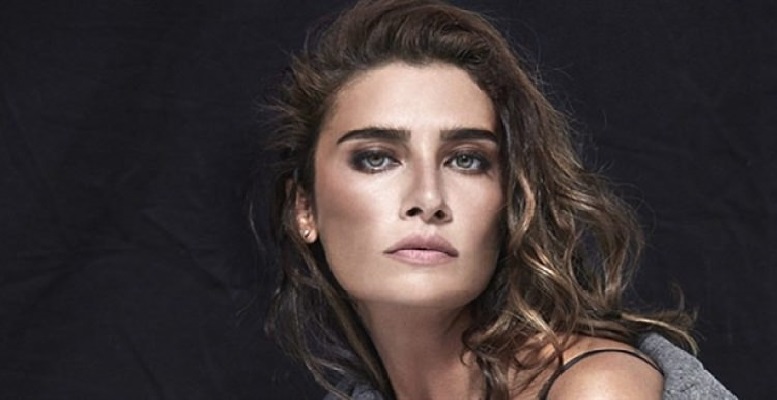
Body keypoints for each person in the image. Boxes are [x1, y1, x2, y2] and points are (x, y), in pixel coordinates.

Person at [261, 0, 737, 398]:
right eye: (376, 158)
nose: (428, 198)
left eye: (466, 160)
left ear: (510, 198)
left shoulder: (592, 387)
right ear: (304, 208)